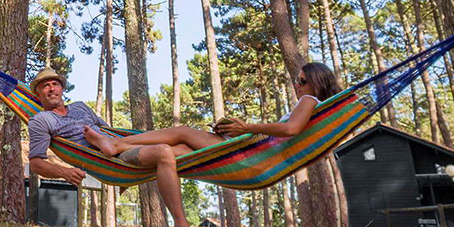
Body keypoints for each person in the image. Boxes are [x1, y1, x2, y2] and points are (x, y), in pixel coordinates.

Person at [25, 67, 203, 227]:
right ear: (38, 94)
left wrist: (113, 142)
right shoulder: (41, 120)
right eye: (45, 86)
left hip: (119, 144)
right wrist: (65, 172)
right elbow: (36, 162)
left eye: (55, 84)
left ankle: (228, 151)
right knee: (165, 151)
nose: (51, 88)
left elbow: (108, 129)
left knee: (185, 147)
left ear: (62, 89)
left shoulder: (80, 106)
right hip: (112, 160)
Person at [82, 62, 342, 159]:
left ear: (317, 84)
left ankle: (115, 144)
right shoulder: (313, 107)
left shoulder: (309, 102)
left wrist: (246, 128)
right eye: (297, 81)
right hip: (249, 150)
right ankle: (118, 147)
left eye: (301, 81)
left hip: (249, 154)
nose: (297, 85)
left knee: (182, 131)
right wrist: (236, 131)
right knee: (180, 152)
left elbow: (290, 129)